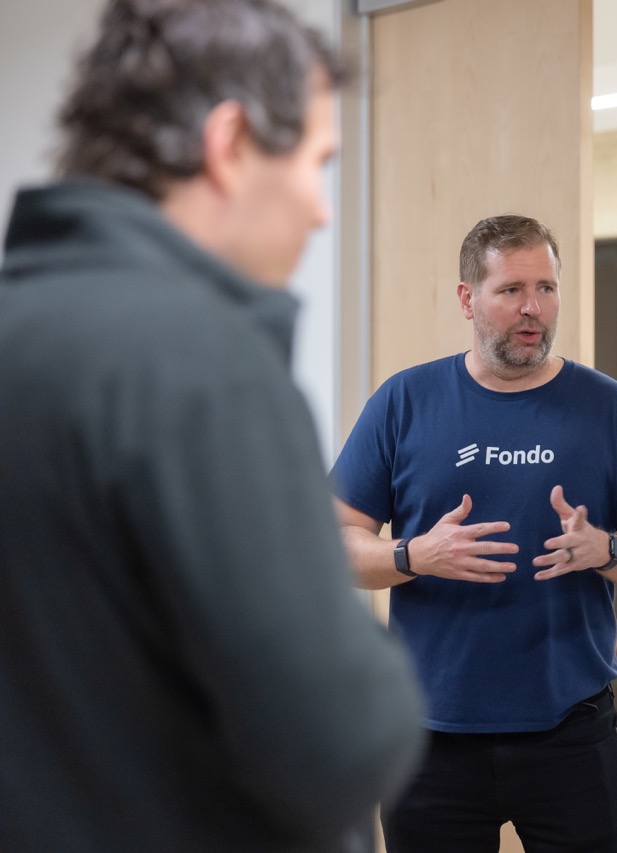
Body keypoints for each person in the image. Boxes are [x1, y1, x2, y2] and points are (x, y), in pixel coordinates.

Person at [0, 2, 425, 851]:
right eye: (316, 164)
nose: (322, 212)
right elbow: (345, 741)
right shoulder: (205, 364)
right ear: (229, 144)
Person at [329, 213, 617, 852]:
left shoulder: (610, 409)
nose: (533, 308)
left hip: (571, 732)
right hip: (429, 737)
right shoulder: (403, 402)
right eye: (512, 290)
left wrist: (606, 550)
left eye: (546, 288)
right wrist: (413, 554)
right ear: (467, 298)